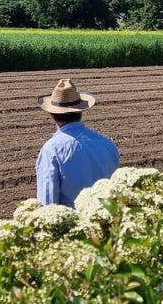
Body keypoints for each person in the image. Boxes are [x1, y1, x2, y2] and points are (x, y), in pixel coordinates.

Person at [35, 78, 119, 207]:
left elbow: (48, 202)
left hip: (73, 223)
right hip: (107, 221)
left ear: (51, 114)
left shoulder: (51, 150)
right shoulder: (107, 144)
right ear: (81, 111)